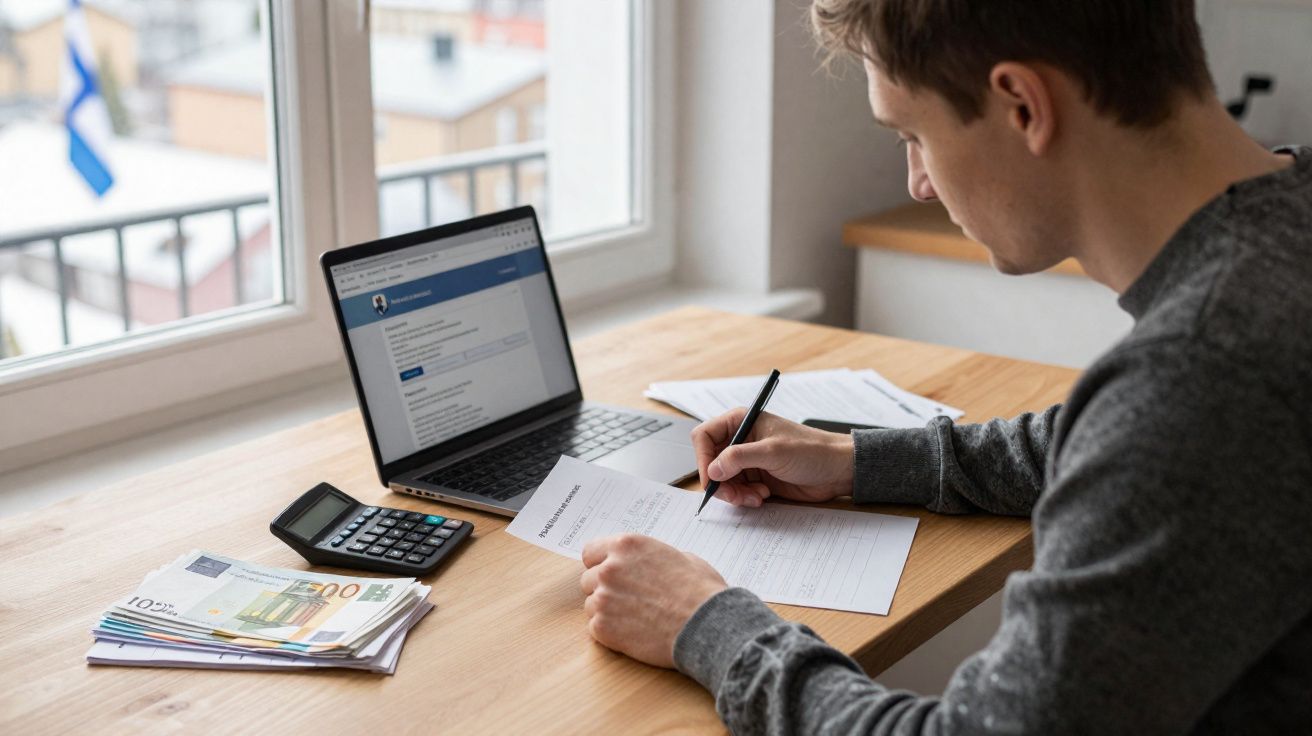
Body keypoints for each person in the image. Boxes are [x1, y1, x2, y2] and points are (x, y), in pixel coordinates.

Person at [577, 0, 1312, 732]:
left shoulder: (1203, 373)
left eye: (913, 135)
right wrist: (854, 460)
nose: (917, 183)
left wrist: (706, 624)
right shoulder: (1283, 229)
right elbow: (1113, 442)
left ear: (1022, 105)